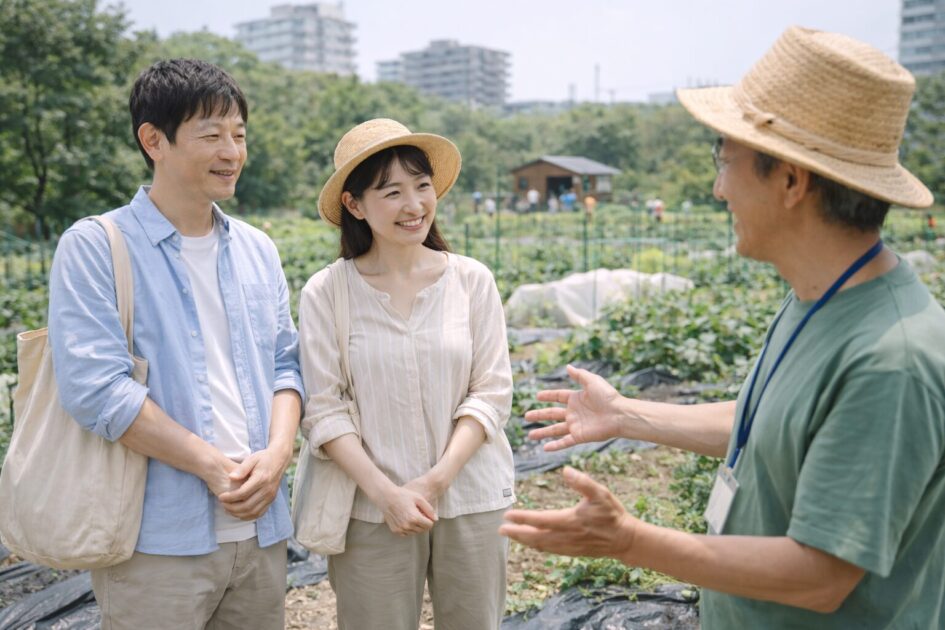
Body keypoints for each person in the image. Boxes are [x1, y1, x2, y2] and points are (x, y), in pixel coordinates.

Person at [500, 26, 945, 629]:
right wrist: (626, 415)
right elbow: (770, 421)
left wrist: (628, 541)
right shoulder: (818, 297)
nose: (717, 188)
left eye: (725, 159)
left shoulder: (893, 359)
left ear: (791, 180)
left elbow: (821, 575)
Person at [48, 59, 303, 629]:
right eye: (211, 135)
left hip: (262, 530)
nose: (231, 151)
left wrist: (279, 455)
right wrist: (214, 468)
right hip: (156, 538)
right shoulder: (96, 245)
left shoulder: (258, 248)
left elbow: (287, 364)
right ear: (153, 140)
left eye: (239, 135)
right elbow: (96, 390)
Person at [299, 118, 514, 630]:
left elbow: (491, 393)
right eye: (391, 192)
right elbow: (325, 412)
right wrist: (388, 494)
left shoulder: (470, 280)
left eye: (421, 187)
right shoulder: (328, 293)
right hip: (372, 510)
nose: (414, 205)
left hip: (470, 497)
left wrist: (436, 481)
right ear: (354, 205)